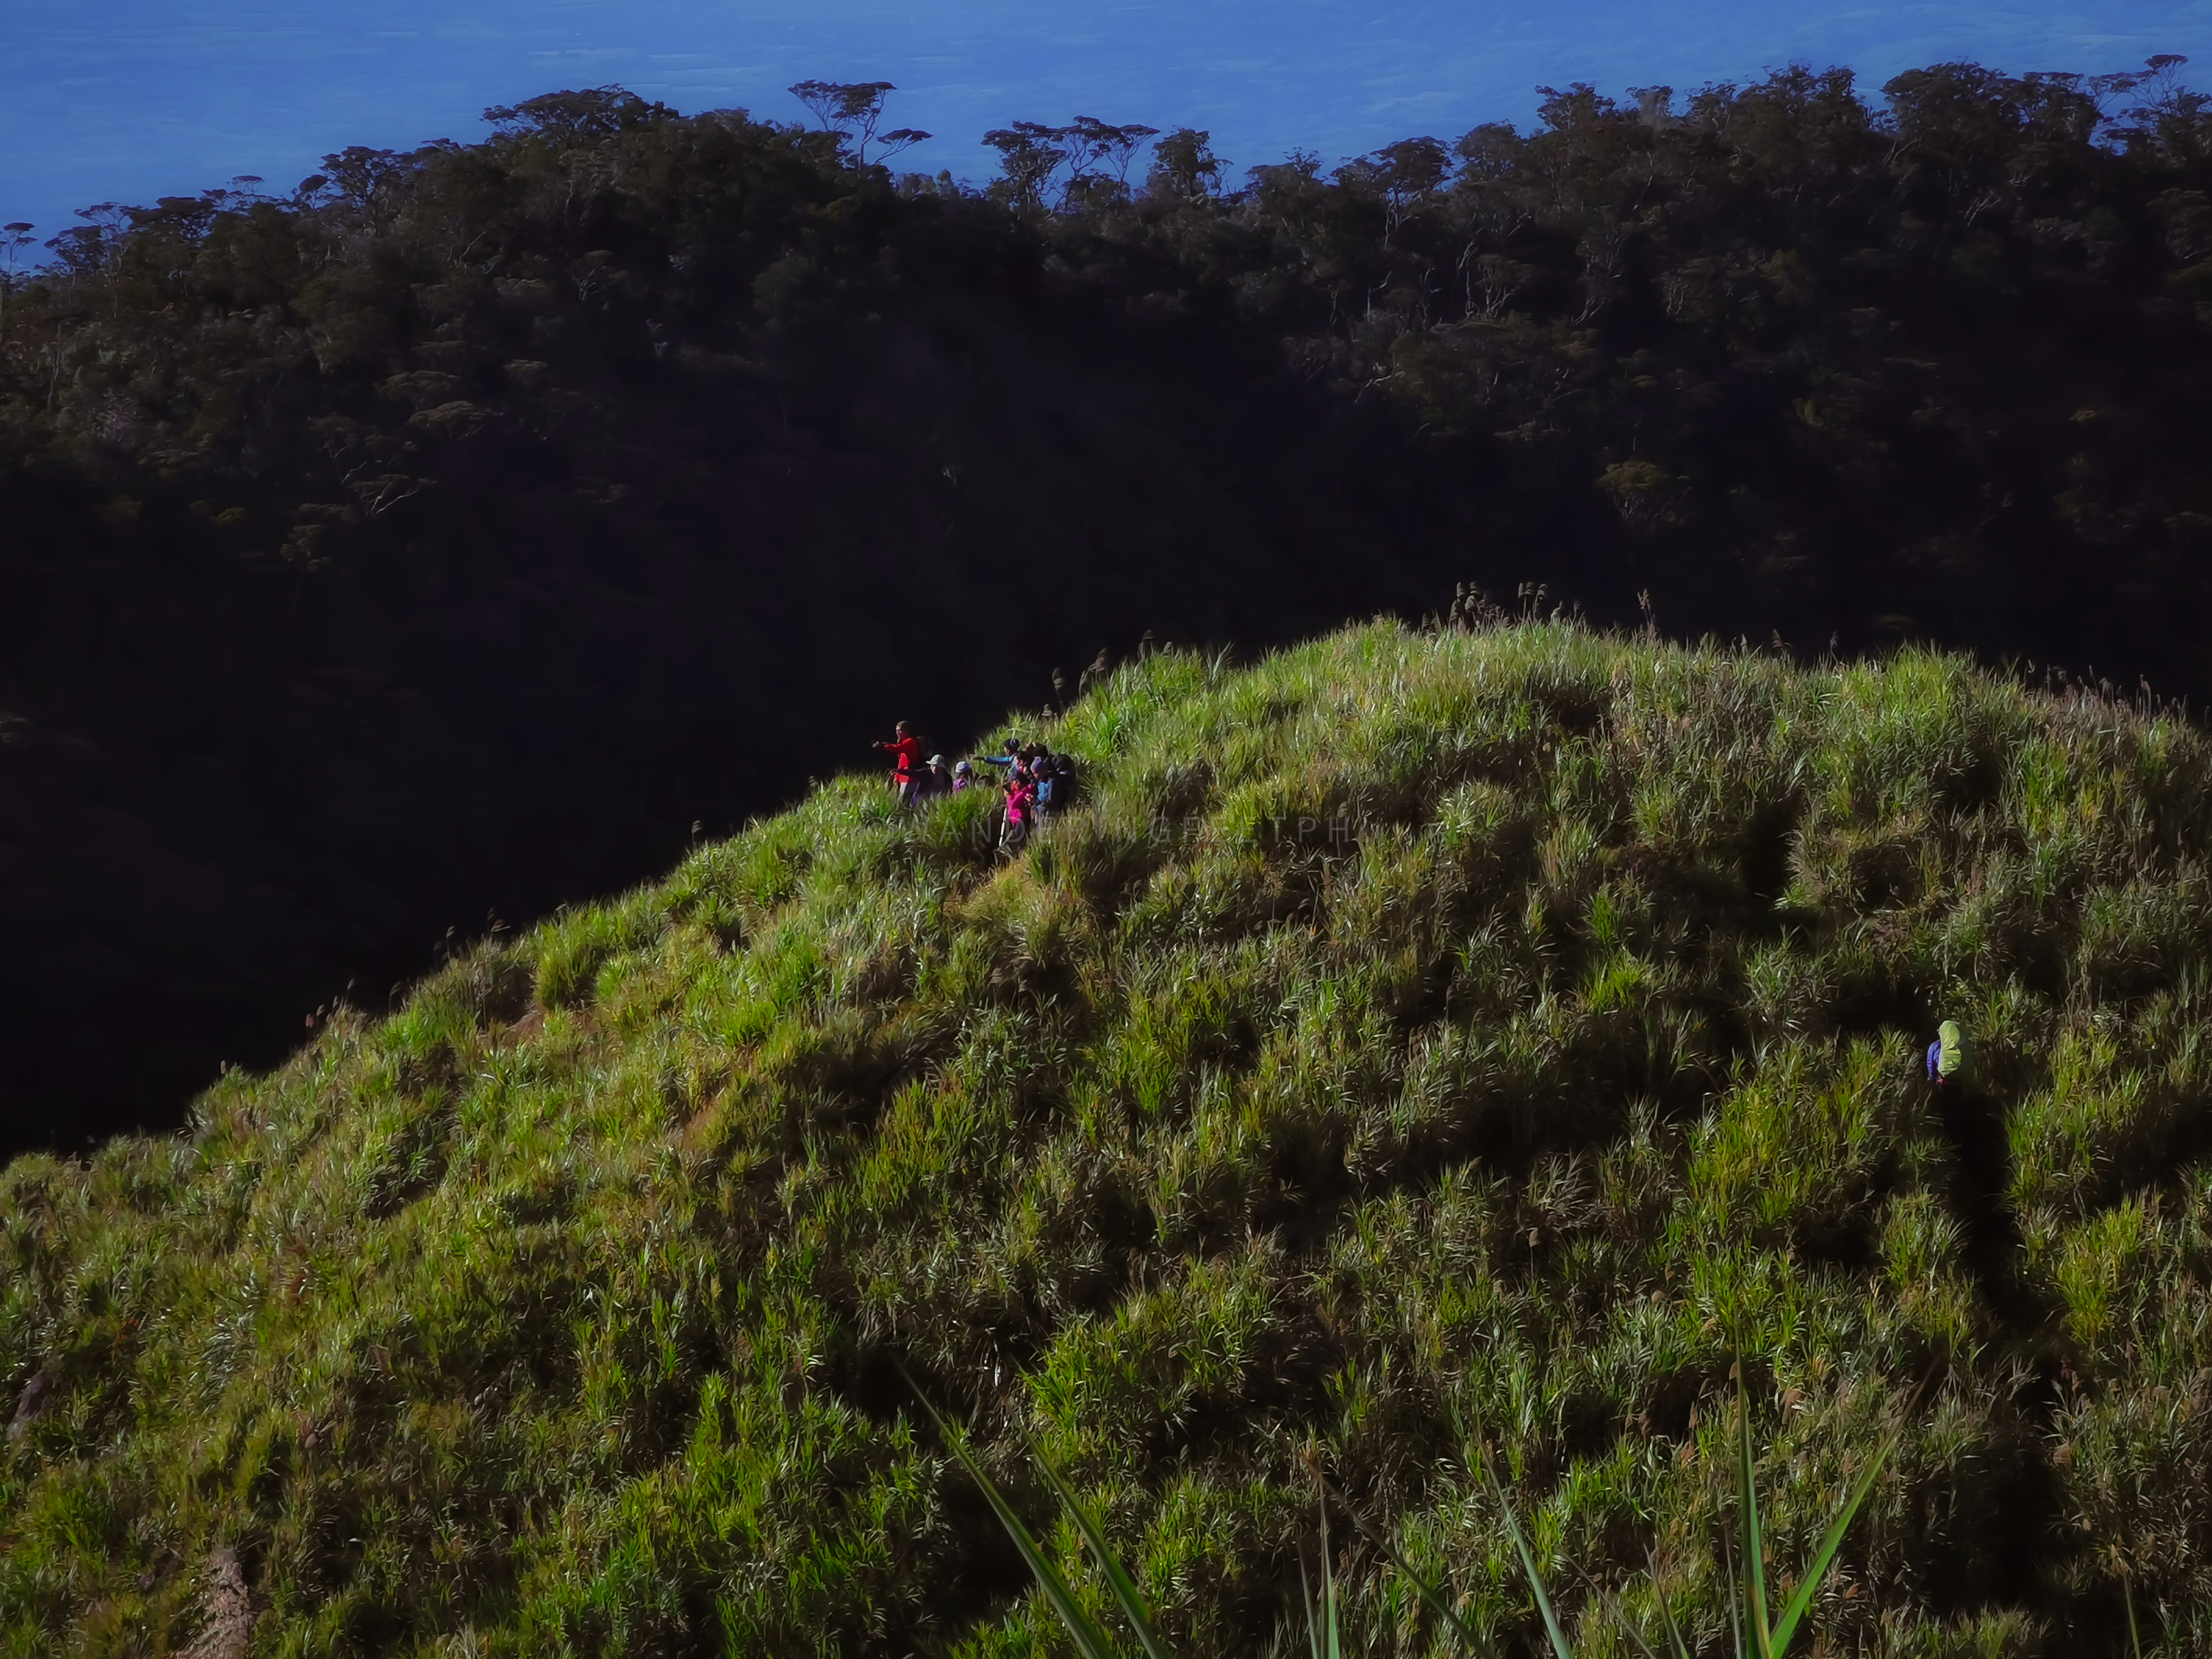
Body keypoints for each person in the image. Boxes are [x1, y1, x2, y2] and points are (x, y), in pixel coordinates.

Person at [875, 721, 924, 805]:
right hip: (904, 778)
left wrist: (883, 745)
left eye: (900, 730)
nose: (898, 732)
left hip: (910, 778)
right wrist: (897, 776)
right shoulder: (904, 742)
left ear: (907, 731)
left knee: (904, 802)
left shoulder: (911, 742)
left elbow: (898, 748)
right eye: (897, 730)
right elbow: (901, 763)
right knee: (903, 802)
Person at [1926, 1019, 1973, 1087]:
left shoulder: (1935, 1046)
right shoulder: (1964, 1045)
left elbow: (1931, 1066)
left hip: (1944, 1081)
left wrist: (1933, 1079)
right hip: (1961, 1082)